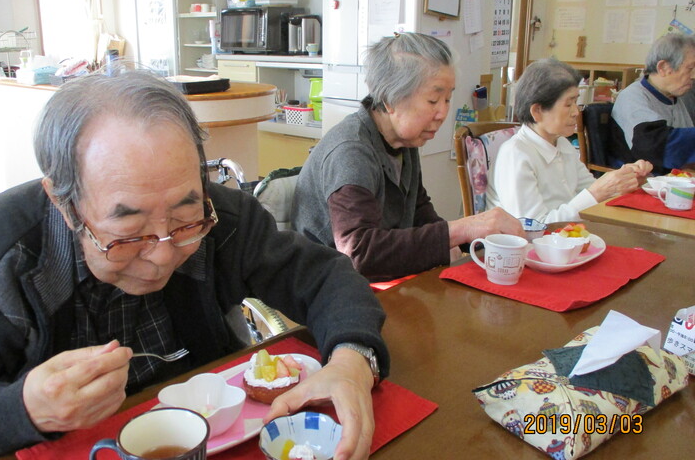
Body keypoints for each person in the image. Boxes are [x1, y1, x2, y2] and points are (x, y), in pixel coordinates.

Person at [0, 71, 389, 460]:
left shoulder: (220, 216)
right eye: (128, 233)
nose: (163, 254)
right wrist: (24, 408)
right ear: (64, 203)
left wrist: (352, 360)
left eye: (184, 219)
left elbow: (324, 276)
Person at [291, 32, 523, 282]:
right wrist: (461, 229)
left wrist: (474, 237)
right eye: (433, 100)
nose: (443, 113)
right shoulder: (351, 152)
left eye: (447, 99)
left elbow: (419, 214)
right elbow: (359, 252)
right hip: (326, 286)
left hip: (376, 281)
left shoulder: (404, 141)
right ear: (390, 100)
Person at [487, 59, 652, 222]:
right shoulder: (516, 154)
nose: (576, 112)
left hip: (571, 233)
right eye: (568, 104)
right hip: (538, 238)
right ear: (537, 111)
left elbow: (589, 192)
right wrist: (597, 193)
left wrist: (624, 182)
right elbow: (531, 227)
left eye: (576, 102)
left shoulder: (562, 143)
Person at [611, 32, 695, 173]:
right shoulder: (633, 97)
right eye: (690, 68)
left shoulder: (673, 97)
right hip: (642, 179)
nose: (693, 76)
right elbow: (657, 147)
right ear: (663, 67)